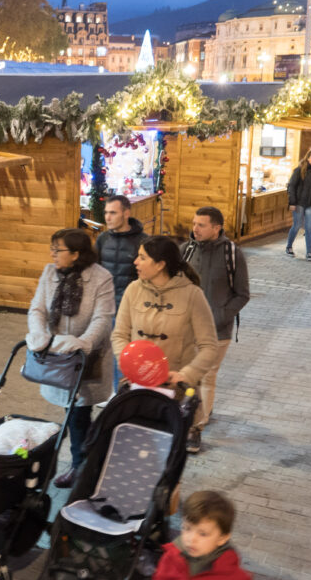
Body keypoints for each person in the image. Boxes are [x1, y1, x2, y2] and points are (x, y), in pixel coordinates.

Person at [26, 228, 116, 488]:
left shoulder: (101, 278)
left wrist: (83, 344)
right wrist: (39, 335)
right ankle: (87, 463)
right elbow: (37, 309)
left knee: (78, 414)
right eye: (52, 249)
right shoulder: (49, 273)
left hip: (87, 359)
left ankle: (81, 469)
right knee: (73, 412)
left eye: (58, 250)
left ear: (76, 254)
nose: (52, 254)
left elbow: (102, 318)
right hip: (56, 356)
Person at [112, 237, 219, 440]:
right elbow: (119, 334)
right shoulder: (133, 290)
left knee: (169, 450)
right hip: (137, 388)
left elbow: (209, 346)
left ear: (160, 264)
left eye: (142, 257)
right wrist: (127, 363)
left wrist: (185, 376)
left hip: (175, 392)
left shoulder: (192, 295)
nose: (135, 262)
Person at [180, 207, 249, 454]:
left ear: (216, 228)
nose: (195, 229)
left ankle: (195, 428)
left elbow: (242, 294)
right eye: (194, 223)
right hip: (187, 329)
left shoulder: (232, 253)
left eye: (201, 225)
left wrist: (219, 317)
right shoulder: (186, 250)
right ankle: (197, 411)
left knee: (207, 376)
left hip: (218, 330)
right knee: (188, 375)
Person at [135, 490, 258, 580]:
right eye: (187, 528)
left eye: (203, 534)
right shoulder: (171, 558)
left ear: (222, 538)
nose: (191, 539)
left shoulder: (234, 578)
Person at [96, 194, 149, 390]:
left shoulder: (143, 241)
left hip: (132, 311)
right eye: (106, 213)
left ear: (126, 214)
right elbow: (95, 271)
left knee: (130, 355)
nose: (107, 218)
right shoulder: (102, 239)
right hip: (106, 308)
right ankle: (116, 393)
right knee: (110, 354)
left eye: (113, 213)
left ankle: (126, 394)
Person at [284, 145, 311, 260]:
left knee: (309, 228)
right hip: (298, 203)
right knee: (297, 225)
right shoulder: (299, 170)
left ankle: (309, 252)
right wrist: (292, 202)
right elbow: (291, 186)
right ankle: (289, 247)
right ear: (308, 158)